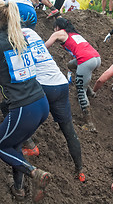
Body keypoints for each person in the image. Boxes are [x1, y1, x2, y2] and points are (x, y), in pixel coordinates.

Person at [0, 0, 51, 202]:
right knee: (15, 144)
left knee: (1, 146)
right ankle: (19, 190)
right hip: (40, 103)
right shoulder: (19, 38)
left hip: (24, 108)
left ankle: (34, 174)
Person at [20, 26, 84, 181]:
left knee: (15, 109)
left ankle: (30, 146)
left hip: (43, 85)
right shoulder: (31, 32)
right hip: (61, 83)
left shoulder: (12, 36)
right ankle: (80, 171)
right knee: (68, 130)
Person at [45, 17, 101, 132]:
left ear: (58, 27)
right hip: (96, 58)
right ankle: (90, 91)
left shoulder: (59, 33)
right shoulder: (74, 34)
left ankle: (89, 124)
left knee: (80, 90)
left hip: (86, 60)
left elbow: (44, 46)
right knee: (71, 65)